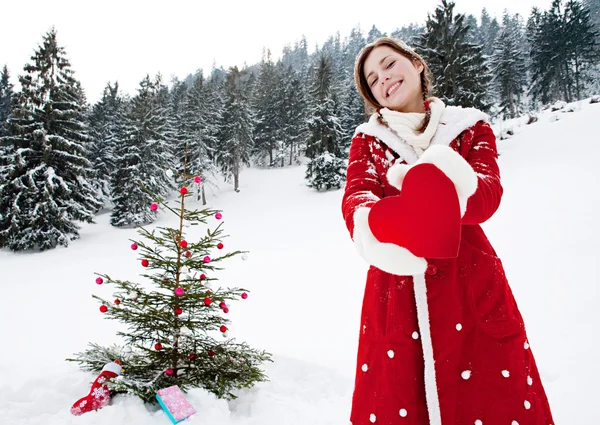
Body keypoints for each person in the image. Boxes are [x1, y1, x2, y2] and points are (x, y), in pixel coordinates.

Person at [341, 37, 554, 425]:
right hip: (397, 290)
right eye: (372, 79)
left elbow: (488, 193)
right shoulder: (367, 140)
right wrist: (377, 231)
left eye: (389, 65)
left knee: (491, 400)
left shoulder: (469, 126)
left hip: (472, 287)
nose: (384, 78)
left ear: (417, 63)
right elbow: (357, 199)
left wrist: (443, 181)